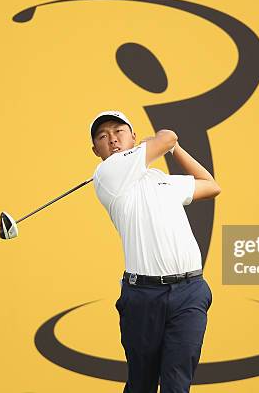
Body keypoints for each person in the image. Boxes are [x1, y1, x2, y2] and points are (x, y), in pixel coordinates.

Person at [89, 110, 221, 393]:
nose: (112, 140)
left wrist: (175, 149)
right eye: (103, 136)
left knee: (177, 384)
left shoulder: (160, 179)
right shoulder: (107, 175)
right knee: (142, 385)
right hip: (143, 297)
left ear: (133, 138)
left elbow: (211, 185)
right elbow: (167, 135)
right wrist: (165, 142)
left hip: (190, 290)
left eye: (119, 132)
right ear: (95, 150)